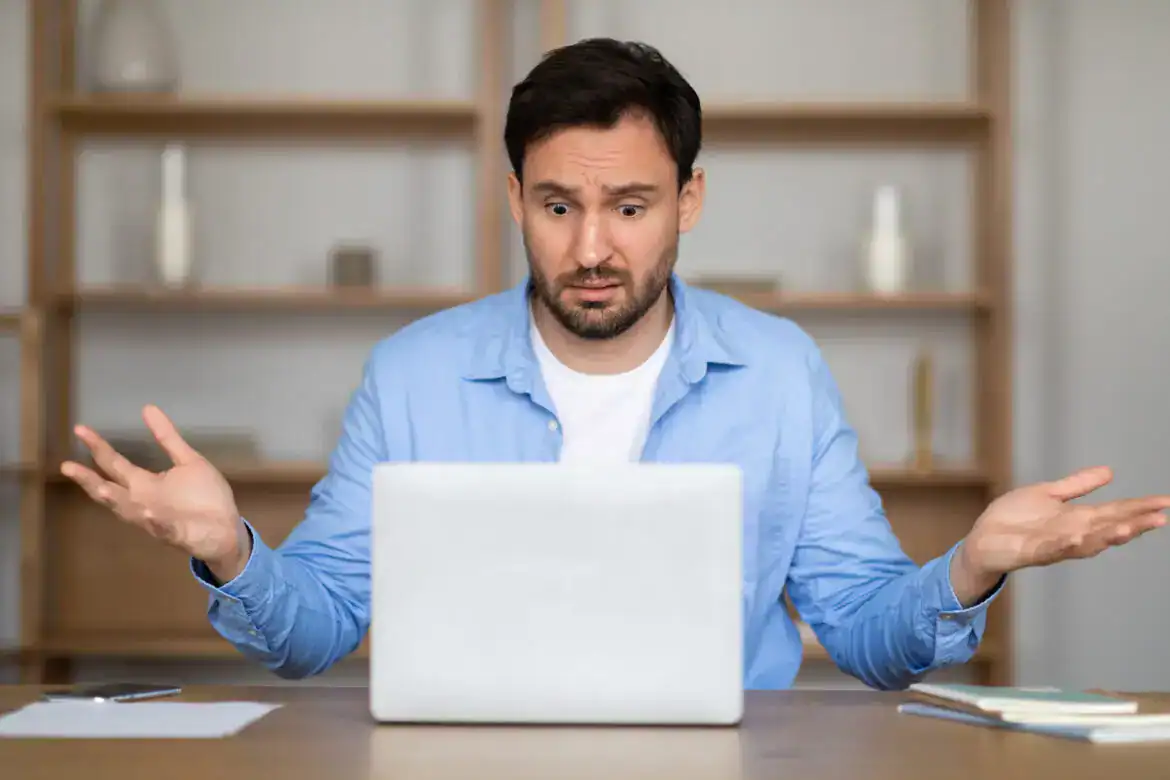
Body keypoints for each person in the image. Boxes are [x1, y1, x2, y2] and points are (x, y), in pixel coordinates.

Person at [62, 38, 1169, 691]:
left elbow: (872, 639)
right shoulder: (412, 374)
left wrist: (972, 563)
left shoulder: (780, 373)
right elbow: (312, 636)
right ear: (515, 201)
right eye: (558, 205)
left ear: (688, 199)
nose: (592, 247)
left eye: (631, 206)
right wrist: (230, 552)